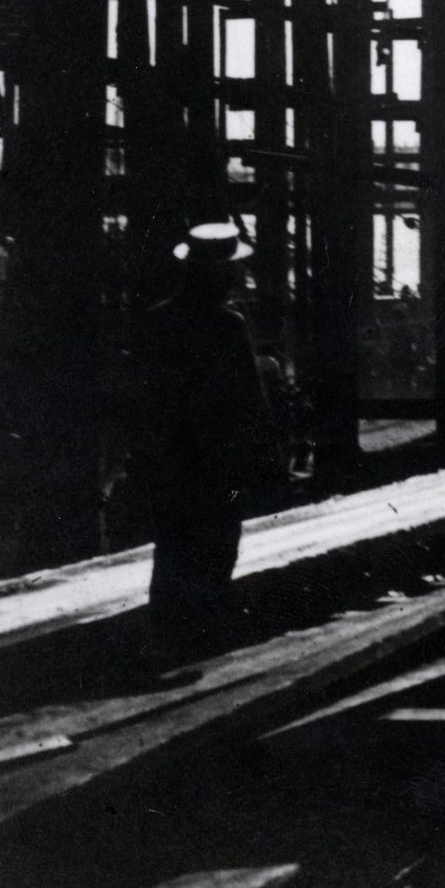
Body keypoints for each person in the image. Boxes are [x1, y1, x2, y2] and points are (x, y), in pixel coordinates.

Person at [135, 222, 271, 664]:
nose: (237, 278)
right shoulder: (229, 326)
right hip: (221, 476)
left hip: (169, 473)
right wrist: (264, 465)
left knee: (172, 551)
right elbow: (252, 405)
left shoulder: (157, 322)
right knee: (218, 549)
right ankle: (204, 649)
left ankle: (167, 644)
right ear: (219, 275)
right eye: (233, 270)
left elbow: (144, 402)